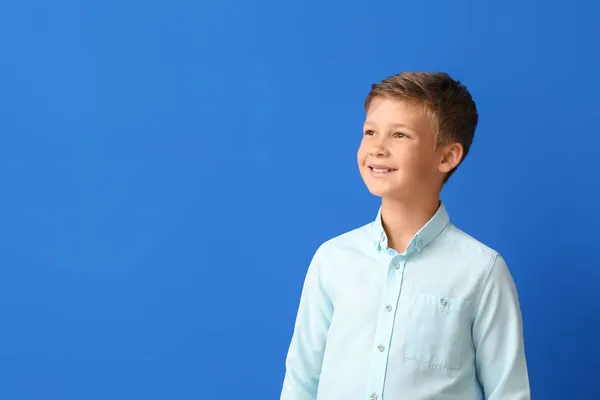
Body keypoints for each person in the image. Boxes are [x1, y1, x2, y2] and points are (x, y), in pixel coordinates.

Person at [280, 72, 530, 400]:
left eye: (400, 135)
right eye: (370, 132)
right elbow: (301, 379)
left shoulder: (481, 271)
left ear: (447, 156)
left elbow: (508, 393)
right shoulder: (333, 259)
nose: (378, 148)